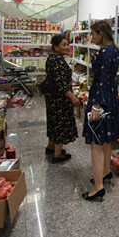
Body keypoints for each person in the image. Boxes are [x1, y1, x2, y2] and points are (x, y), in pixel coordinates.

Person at [82, 21, 119, 202]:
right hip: (111, 97)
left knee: (96, 143)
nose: (92, 37)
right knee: (106, 139)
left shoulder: (104, 51)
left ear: (100, 34)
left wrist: (96, 105)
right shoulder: (115, 50)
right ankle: (105, 172)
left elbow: (102, 80)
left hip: (101, 98)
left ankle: (98, 187)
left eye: (93, 34)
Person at [44, 34, 81, 164]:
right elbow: (61, 84)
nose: (67, 47)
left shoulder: (52, 58)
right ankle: (58, 154)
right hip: (60, 98)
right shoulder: (57, 61)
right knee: (60, 123)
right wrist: (73, 98)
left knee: (53, 121)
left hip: (52, 97)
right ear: (55, 46)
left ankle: (51, 146)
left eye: (67, 44)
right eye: (64, 45)